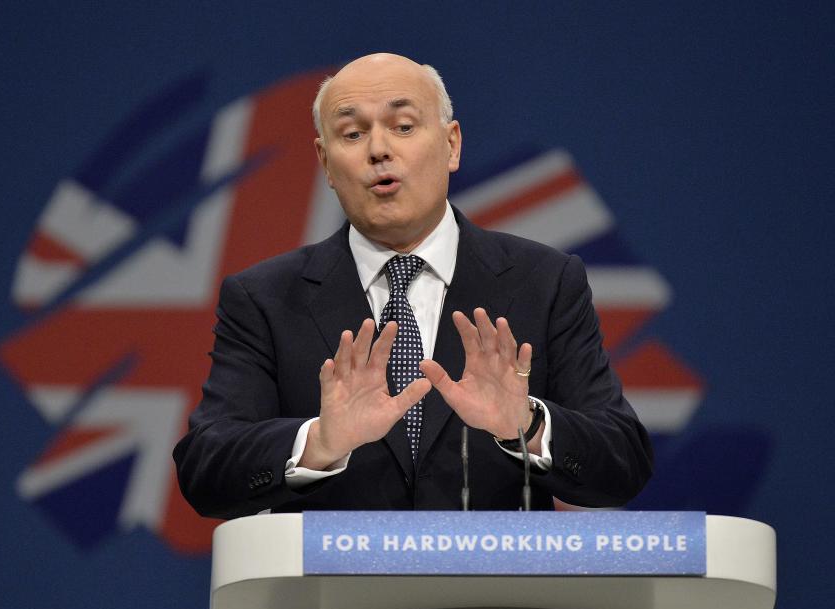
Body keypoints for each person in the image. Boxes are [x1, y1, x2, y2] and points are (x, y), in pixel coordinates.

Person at [173, 53, 652, 519]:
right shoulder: (265, 298)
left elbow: (622, 463)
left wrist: (526, 424)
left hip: (497, 595)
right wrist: (319, 443)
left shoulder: (545, 282)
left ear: (451, 145)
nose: (378, 149)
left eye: (403, 127)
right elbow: (206, 471)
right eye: (352, 133)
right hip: (332, 597)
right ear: (325, 162)